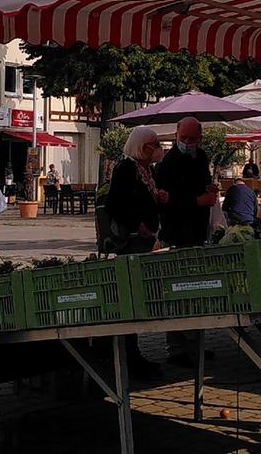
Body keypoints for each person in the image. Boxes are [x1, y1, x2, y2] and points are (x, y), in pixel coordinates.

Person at [97, 126, 169, 374]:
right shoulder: (127, 168)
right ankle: (128, 356)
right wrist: (137, 223)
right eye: (154, 144)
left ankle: (132, 353)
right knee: (131, 295)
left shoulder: (146, 169)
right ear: (141, 146)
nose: (158, 148)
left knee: (137, 296)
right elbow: (116, 203)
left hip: (145, 238)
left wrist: (157, 198)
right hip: (133, 241)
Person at [156, 117, 217, 250]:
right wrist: (198, 201)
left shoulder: (201, 157)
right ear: (176, 135)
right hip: (176, 234)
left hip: (198, 232)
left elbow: (204, 183)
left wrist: (210, 190)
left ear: (200, 138)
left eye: (192, 139)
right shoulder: (168, 163)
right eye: (183, 138)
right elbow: (165, 202)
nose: (187, 142)